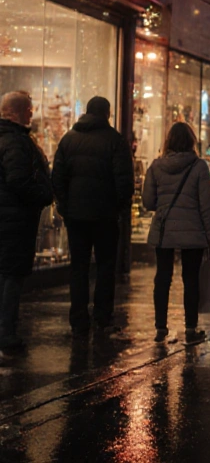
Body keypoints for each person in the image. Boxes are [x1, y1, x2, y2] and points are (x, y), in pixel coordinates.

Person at [51, 96, 134, 338]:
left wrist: (66, 207)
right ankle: (102, 317)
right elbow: (124, 182)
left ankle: (78, 320)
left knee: (78, 268)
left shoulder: (69, 140)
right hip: (105, 217)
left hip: (76, 217)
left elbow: (57, 178)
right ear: (107, 114)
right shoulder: (115, 141)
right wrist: (119, 208)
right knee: (106, 267)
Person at [141, 122, 210, 346]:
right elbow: (207, 206)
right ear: (191, 141)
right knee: (190, 279)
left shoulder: (156, 167)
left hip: (164, 231)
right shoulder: (200, 167)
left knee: (162, 277)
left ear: (169, 141)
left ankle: (160, 327)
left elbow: (147, 202)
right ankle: (190, 328)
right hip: (193, 232)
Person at [0, 92, 53, 356]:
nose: (32, 115)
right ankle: (6, 333)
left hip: (10, 218)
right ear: (18, 112)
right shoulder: (15, 142)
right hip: (14, 221)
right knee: (11, 276)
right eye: (30, 111)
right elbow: (18, 180)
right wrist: (43, 195)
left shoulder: (10, 139)